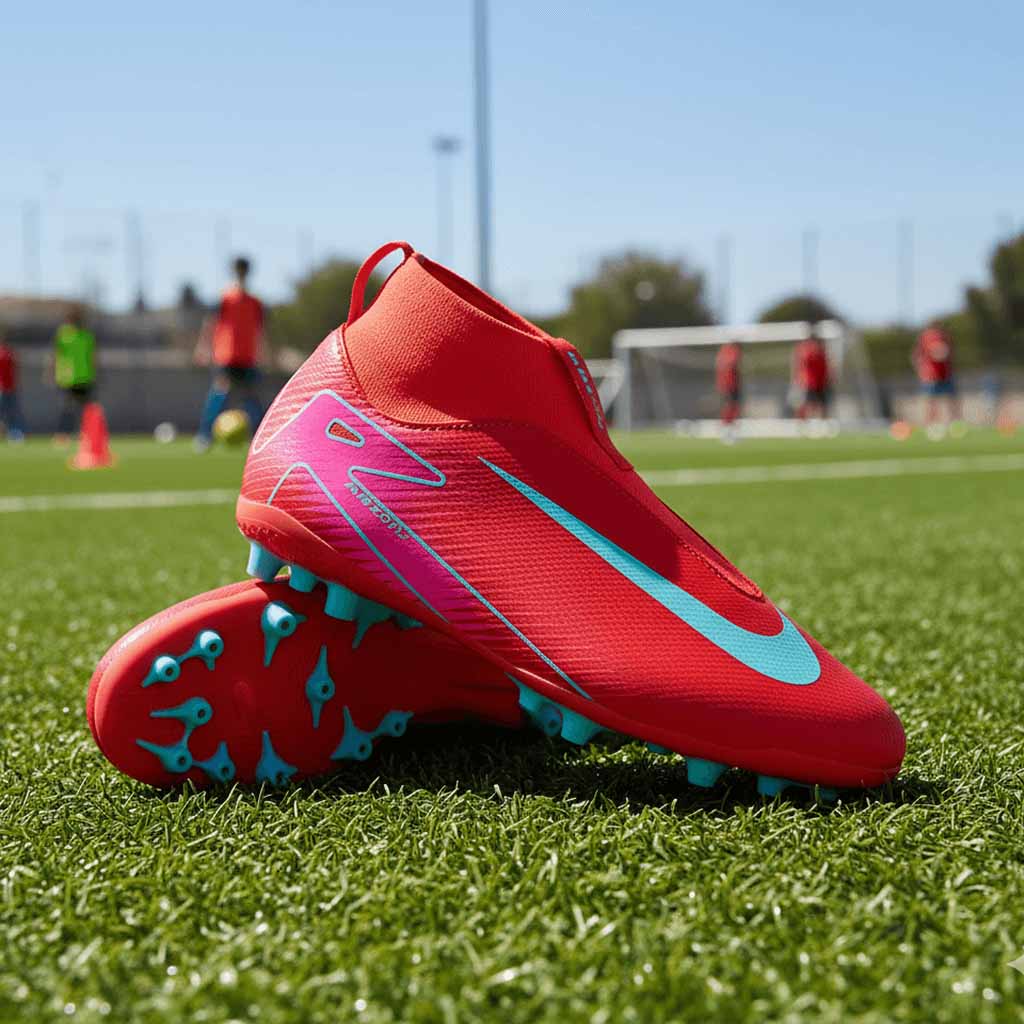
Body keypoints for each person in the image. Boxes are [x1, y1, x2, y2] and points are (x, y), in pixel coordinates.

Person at [195, 256, 265, 451]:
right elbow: (210, 323)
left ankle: (259, 438)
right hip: (226, 355)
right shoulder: (225, 298)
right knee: (220, 395)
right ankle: (204, 436)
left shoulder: (255, 302)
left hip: (248, 356)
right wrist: (203, 347)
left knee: (252, 399)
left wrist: (266, 353)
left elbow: (261, 330)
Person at [51, 306, 97, 443]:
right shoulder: (63, 335)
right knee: (67, 408)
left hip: (84, 377)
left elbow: (93, 357)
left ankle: (87, 434)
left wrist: (95, 374)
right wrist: (51, 371)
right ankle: (62, 434)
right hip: (68, 378)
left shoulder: (87, 336)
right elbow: (56, 354)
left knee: (86, 409)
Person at [913, 322, 957, 433]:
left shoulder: (943, 336)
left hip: (945, 374)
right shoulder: (928, 336)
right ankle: (932, 425)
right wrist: (922, 369)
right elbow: (922, 354)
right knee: (931, 401)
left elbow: (947, 353)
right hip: (931, 376)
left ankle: (954, 424)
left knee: (950, 399)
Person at [791, 329, 831, 420]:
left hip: (821, 382)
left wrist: (828, 378)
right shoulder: (804, 349)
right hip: (807, 382)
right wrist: (797, 378)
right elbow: (800, 364)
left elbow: (826, 366)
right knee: (805, 404)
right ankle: (802, 423)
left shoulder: (822, 351)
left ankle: (822, 423)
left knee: (822, 404)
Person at [0, 329, 25, 442]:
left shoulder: (9, 353)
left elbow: (14, 371)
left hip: (9, 388)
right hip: (2, 388)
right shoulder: (8, 353)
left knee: (12, 413)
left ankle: (15, 433)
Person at [715, 341, 742, 437]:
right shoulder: (729, 351)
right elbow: (733, 362)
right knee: (729, 406)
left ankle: (730, 427)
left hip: (731, 384)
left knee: (733, 406)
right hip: (728, 385)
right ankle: (726, 428)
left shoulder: (725, 351)